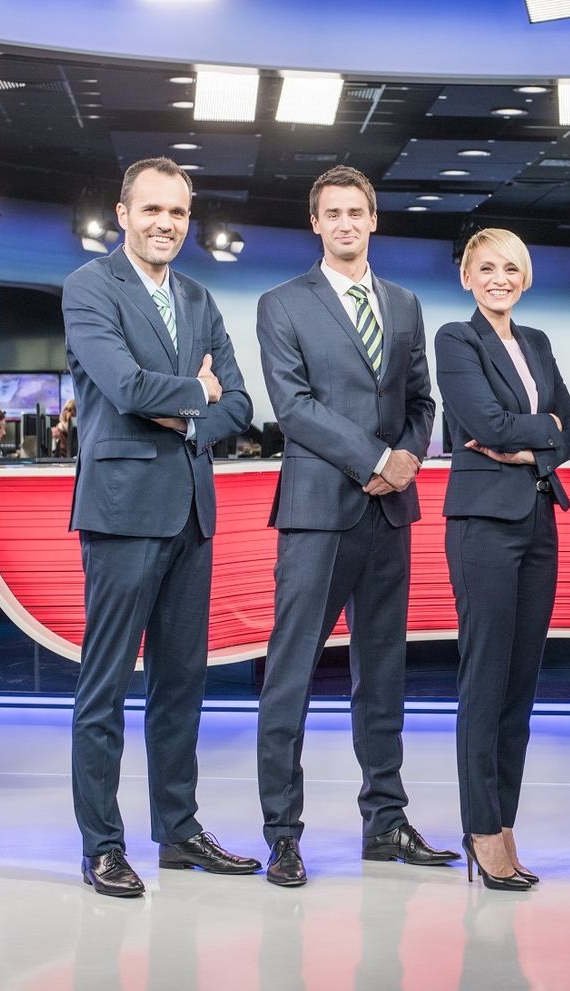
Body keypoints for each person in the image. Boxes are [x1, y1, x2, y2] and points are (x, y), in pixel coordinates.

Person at [62, 156, 258, 898]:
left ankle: (177, 830)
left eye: (177, 212)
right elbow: (124, 385)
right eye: (151, 210)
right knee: (106, 686)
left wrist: (186, 409)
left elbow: (239, 403)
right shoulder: (90, 287)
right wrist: (195, 394)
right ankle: (102, 846)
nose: (165, 224)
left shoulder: (199, 298)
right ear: (123, 215)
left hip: (191, 512)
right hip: (121, 511)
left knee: (181, 685)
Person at [254, 165, 445, 888]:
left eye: (355, 212)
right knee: (290, 675)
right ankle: (283, 835)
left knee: (384, 673)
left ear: (373, 220)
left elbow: (422, 401)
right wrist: (374, 459)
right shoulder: (282, 304)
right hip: (317, 513)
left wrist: (407, 459)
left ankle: (386, 822)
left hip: (389, 511)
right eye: (331, 213)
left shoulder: (404, 304)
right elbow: (293, 407)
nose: (344, 223)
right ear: (316, 223)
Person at [435, 228, 570, 890]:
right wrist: (539, 432)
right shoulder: (456, 339)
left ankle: (505, 823)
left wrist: (531, 445)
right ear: (467, 276)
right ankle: (480, 829)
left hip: (537, 518)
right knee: (485, 680)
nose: (500, 279)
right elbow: (485, 424)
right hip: (483, 524)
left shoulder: (539, 342)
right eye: (488, 268)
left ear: (525, 278)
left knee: (521, 685)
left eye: (512, 268)